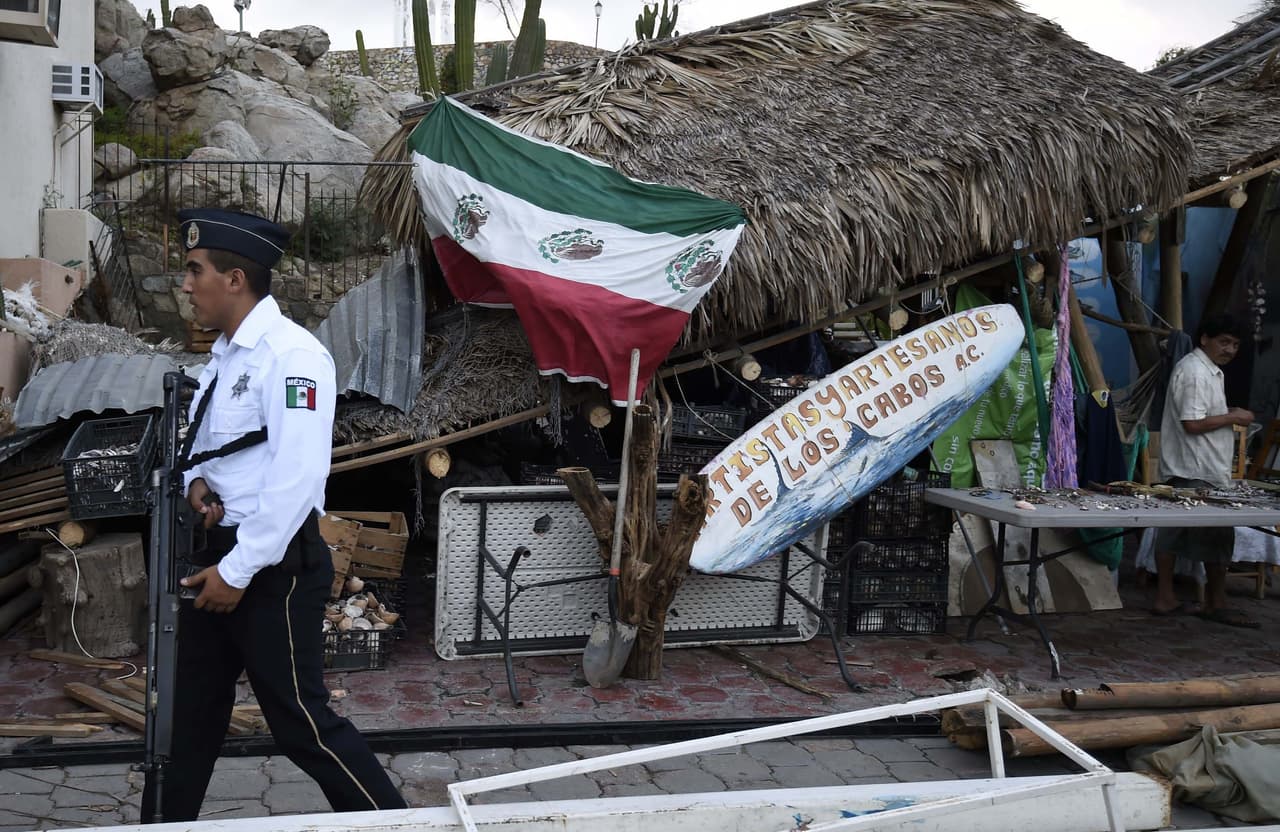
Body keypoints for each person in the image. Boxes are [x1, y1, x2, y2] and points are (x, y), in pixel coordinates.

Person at [142, 208, 407, 820]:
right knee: (185, 725)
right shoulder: (226, 357)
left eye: (194, 270)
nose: (185, 285)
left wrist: (238, 572)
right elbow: (206, 449)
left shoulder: (293, 357)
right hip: (219, 553)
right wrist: (196, 485)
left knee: (302, 726)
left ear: (235, 279)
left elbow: (298, 478)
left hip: (273, 566)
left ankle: (399, 823)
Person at [1153, 313, 1259, 628]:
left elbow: (1201, 415)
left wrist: (1228, 414)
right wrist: (1233, 416)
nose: (1229, 349)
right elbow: (1193, 423)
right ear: (1205, 339)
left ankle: (1195, 600)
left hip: (1204, 466)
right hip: (1193, 466)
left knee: (1203, 534)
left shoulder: (1210, 372)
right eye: (1224, 341)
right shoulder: (1195, 371)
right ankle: (1191, 600)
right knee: (1194, 533)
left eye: (1235, 344)